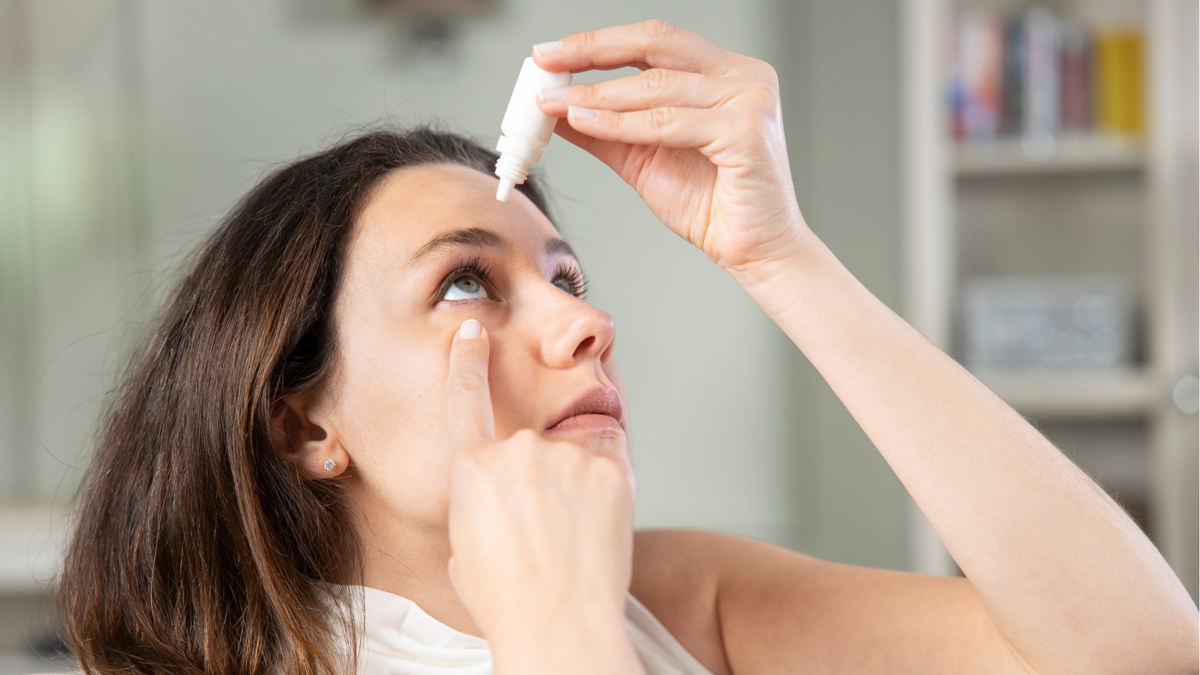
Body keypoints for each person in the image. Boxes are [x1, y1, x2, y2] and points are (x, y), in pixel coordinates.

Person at [57, 20, 1196, 675]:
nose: (585, 323)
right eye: (466, 283)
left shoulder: (672, 593)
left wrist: (781, 258)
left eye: (567, 276)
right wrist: (551, 627)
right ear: (304, 421)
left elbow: (1137, 652)